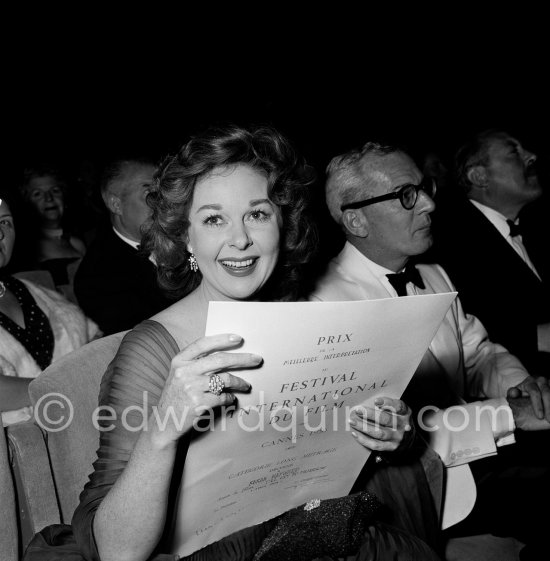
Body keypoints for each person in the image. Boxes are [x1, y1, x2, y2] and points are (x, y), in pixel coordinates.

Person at [26, 125, 445, 561]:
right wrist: (163, 432)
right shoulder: (154, 350)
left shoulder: (309, 321)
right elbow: (116, 551)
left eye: (257, 214)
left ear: (282, 225)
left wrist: (390, 434)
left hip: (319, 530)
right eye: (213, 219)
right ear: (185, 236)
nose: (240, 238)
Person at [311, 140, 550, 557]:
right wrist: (508, 415)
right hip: (419, 496)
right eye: (406, 196)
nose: (428, 205)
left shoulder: (434, 274)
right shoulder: (322, 307)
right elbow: (383, 436)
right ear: (356, 220)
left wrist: (522, 385)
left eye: (424, 188)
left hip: (486, 459)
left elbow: (478, 353)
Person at [430, 129, 550, 377]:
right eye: (513, 152)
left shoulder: (535, 227)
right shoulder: (448, 243)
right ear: (479, 176)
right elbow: (467, 336)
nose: (532, 156)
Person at [0, 189, 99, 426]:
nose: (0, 234)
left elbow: (96, 349)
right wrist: (72, 388)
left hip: (80, 431)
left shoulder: (36, 293)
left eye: (5, 222)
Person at [74, 158, 172, 335]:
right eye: (150, 195)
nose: (163, 204)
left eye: (164, 193)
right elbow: (144, 339)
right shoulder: (98, 276)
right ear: (116, 204)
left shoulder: (180, 243)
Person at [19, 165, 87, 285]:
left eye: (55, 191)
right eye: (37, 194)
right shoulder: (25, 248)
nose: (49, 198)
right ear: (27, 202)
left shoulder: (78, 243)